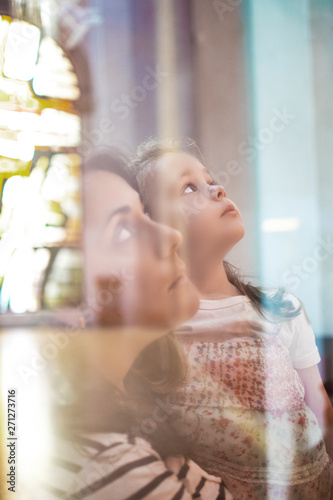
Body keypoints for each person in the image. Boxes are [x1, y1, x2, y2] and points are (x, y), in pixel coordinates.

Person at [129, 137, 333, 499]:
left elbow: (320, 410)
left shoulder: (281, 308)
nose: (218, 189)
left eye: (210, 180)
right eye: (188, 187)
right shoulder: (152, 332)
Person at [36, 152, 232, 500]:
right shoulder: (113, 467)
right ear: (69, 300)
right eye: (123, 230)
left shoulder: (131, 411)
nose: (171, 235)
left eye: (143, 213)